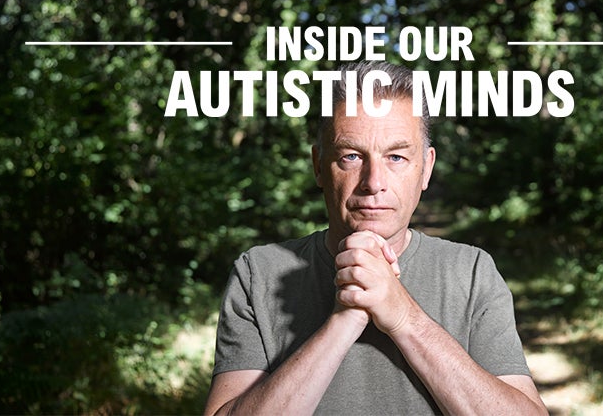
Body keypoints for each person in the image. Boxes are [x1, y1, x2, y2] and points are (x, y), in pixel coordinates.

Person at [204, 61, 547, 415]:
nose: (374, 182)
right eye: (351, 156)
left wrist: (404, 318)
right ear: (319, 166)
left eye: (396, 157)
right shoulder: (257, 273)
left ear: (426, 168)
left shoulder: (472, 271)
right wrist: (343, 321)